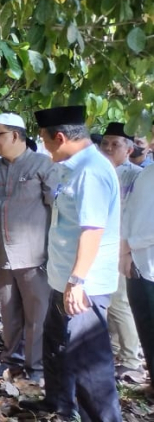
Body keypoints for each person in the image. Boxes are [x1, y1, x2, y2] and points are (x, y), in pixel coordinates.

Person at [19, 106, 122, 421]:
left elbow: (92, 230)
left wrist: (78, 282)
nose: (44, 147)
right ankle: (59, 403)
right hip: (62, 278)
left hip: (82, 284)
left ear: (60, 137)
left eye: (45, 140)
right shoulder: (73, 166)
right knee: (56, 346)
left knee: (89, 364)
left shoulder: (91, 171)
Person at [0, 113, 54, 383]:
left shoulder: (43, 166)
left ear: (15, 135)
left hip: (36, 257)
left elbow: (55, 209)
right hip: (2, 256)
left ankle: (37, 369)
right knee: (9, 314)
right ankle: (12, 362)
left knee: (37, 317)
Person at [100, 122, 145, 379]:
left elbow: (134, 216)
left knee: (118, 302)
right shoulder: (102, 171)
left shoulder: (136, 176)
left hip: (122, 247)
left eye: (114, 144)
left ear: (128, 150)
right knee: (109, 301)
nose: (107, 148)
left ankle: (131, 359)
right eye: (105, 143)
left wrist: (126, 249)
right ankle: (115, 349)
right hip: (103, 245)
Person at [123, 123, 154, 393]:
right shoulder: (145, 174)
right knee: (145, 324)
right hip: (139, 263)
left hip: (147, 259)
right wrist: (126, 248)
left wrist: (128, 245)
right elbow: (130, 214)